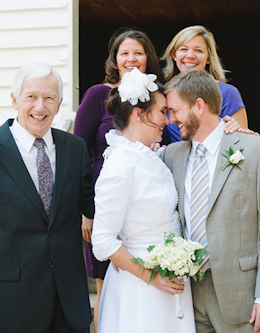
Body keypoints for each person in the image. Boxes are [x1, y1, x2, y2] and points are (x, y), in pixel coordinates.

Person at [0, 63, 94, 333]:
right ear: (14, 100)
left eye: (49, 98)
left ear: (60, 102)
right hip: (10, 306)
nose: (40, 107)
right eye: (31, 96)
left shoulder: (75, 148)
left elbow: (93, 205)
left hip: (69, 306)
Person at [161, 68, 260, 333]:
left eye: (174, 111)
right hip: (187, 293)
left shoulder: (258, 149)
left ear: (199, 105)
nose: (170, 120)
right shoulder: (171, 156)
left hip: (241, 293)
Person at [91, 68, 196, 332]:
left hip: (169, 279)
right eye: (162, 111)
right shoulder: (119, 166)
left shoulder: (147, 155)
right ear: (139, 114)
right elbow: (102, 241)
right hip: (142, 288)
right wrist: (152, 277)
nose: (168, 120)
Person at [73, 28, 163, 330]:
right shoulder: (99, 95)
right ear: (115, 59)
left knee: (143, 283)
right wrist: (87, 211)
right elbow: (78, 151)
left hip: (144, 210)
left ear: (148, 58)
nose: (131, 58)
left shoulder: (157, 99)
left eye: (138, 52)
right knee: (106, 286)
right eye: (124, 53)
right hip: (104, 206)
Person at [161, 25, 249, 142]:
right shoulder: (166, 94)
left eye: (198, 50)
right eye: (184, 49)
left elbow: (241, 143)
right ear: (174, 55)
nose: (190, 55)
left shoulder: (227, 92)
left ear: (208, 58)